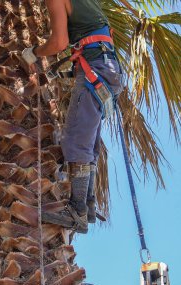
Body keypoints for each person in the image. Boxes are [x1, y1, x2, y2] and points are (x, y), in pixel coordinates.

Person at [22, 0, 123, 233]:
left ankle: (77, 209)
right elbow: (98, 37)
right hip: (108, 70)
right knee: (88, 142)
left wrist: (34, 53)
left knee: (76, 141)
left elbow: (59, 42)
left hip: (95, 72)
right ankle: (87, 204)